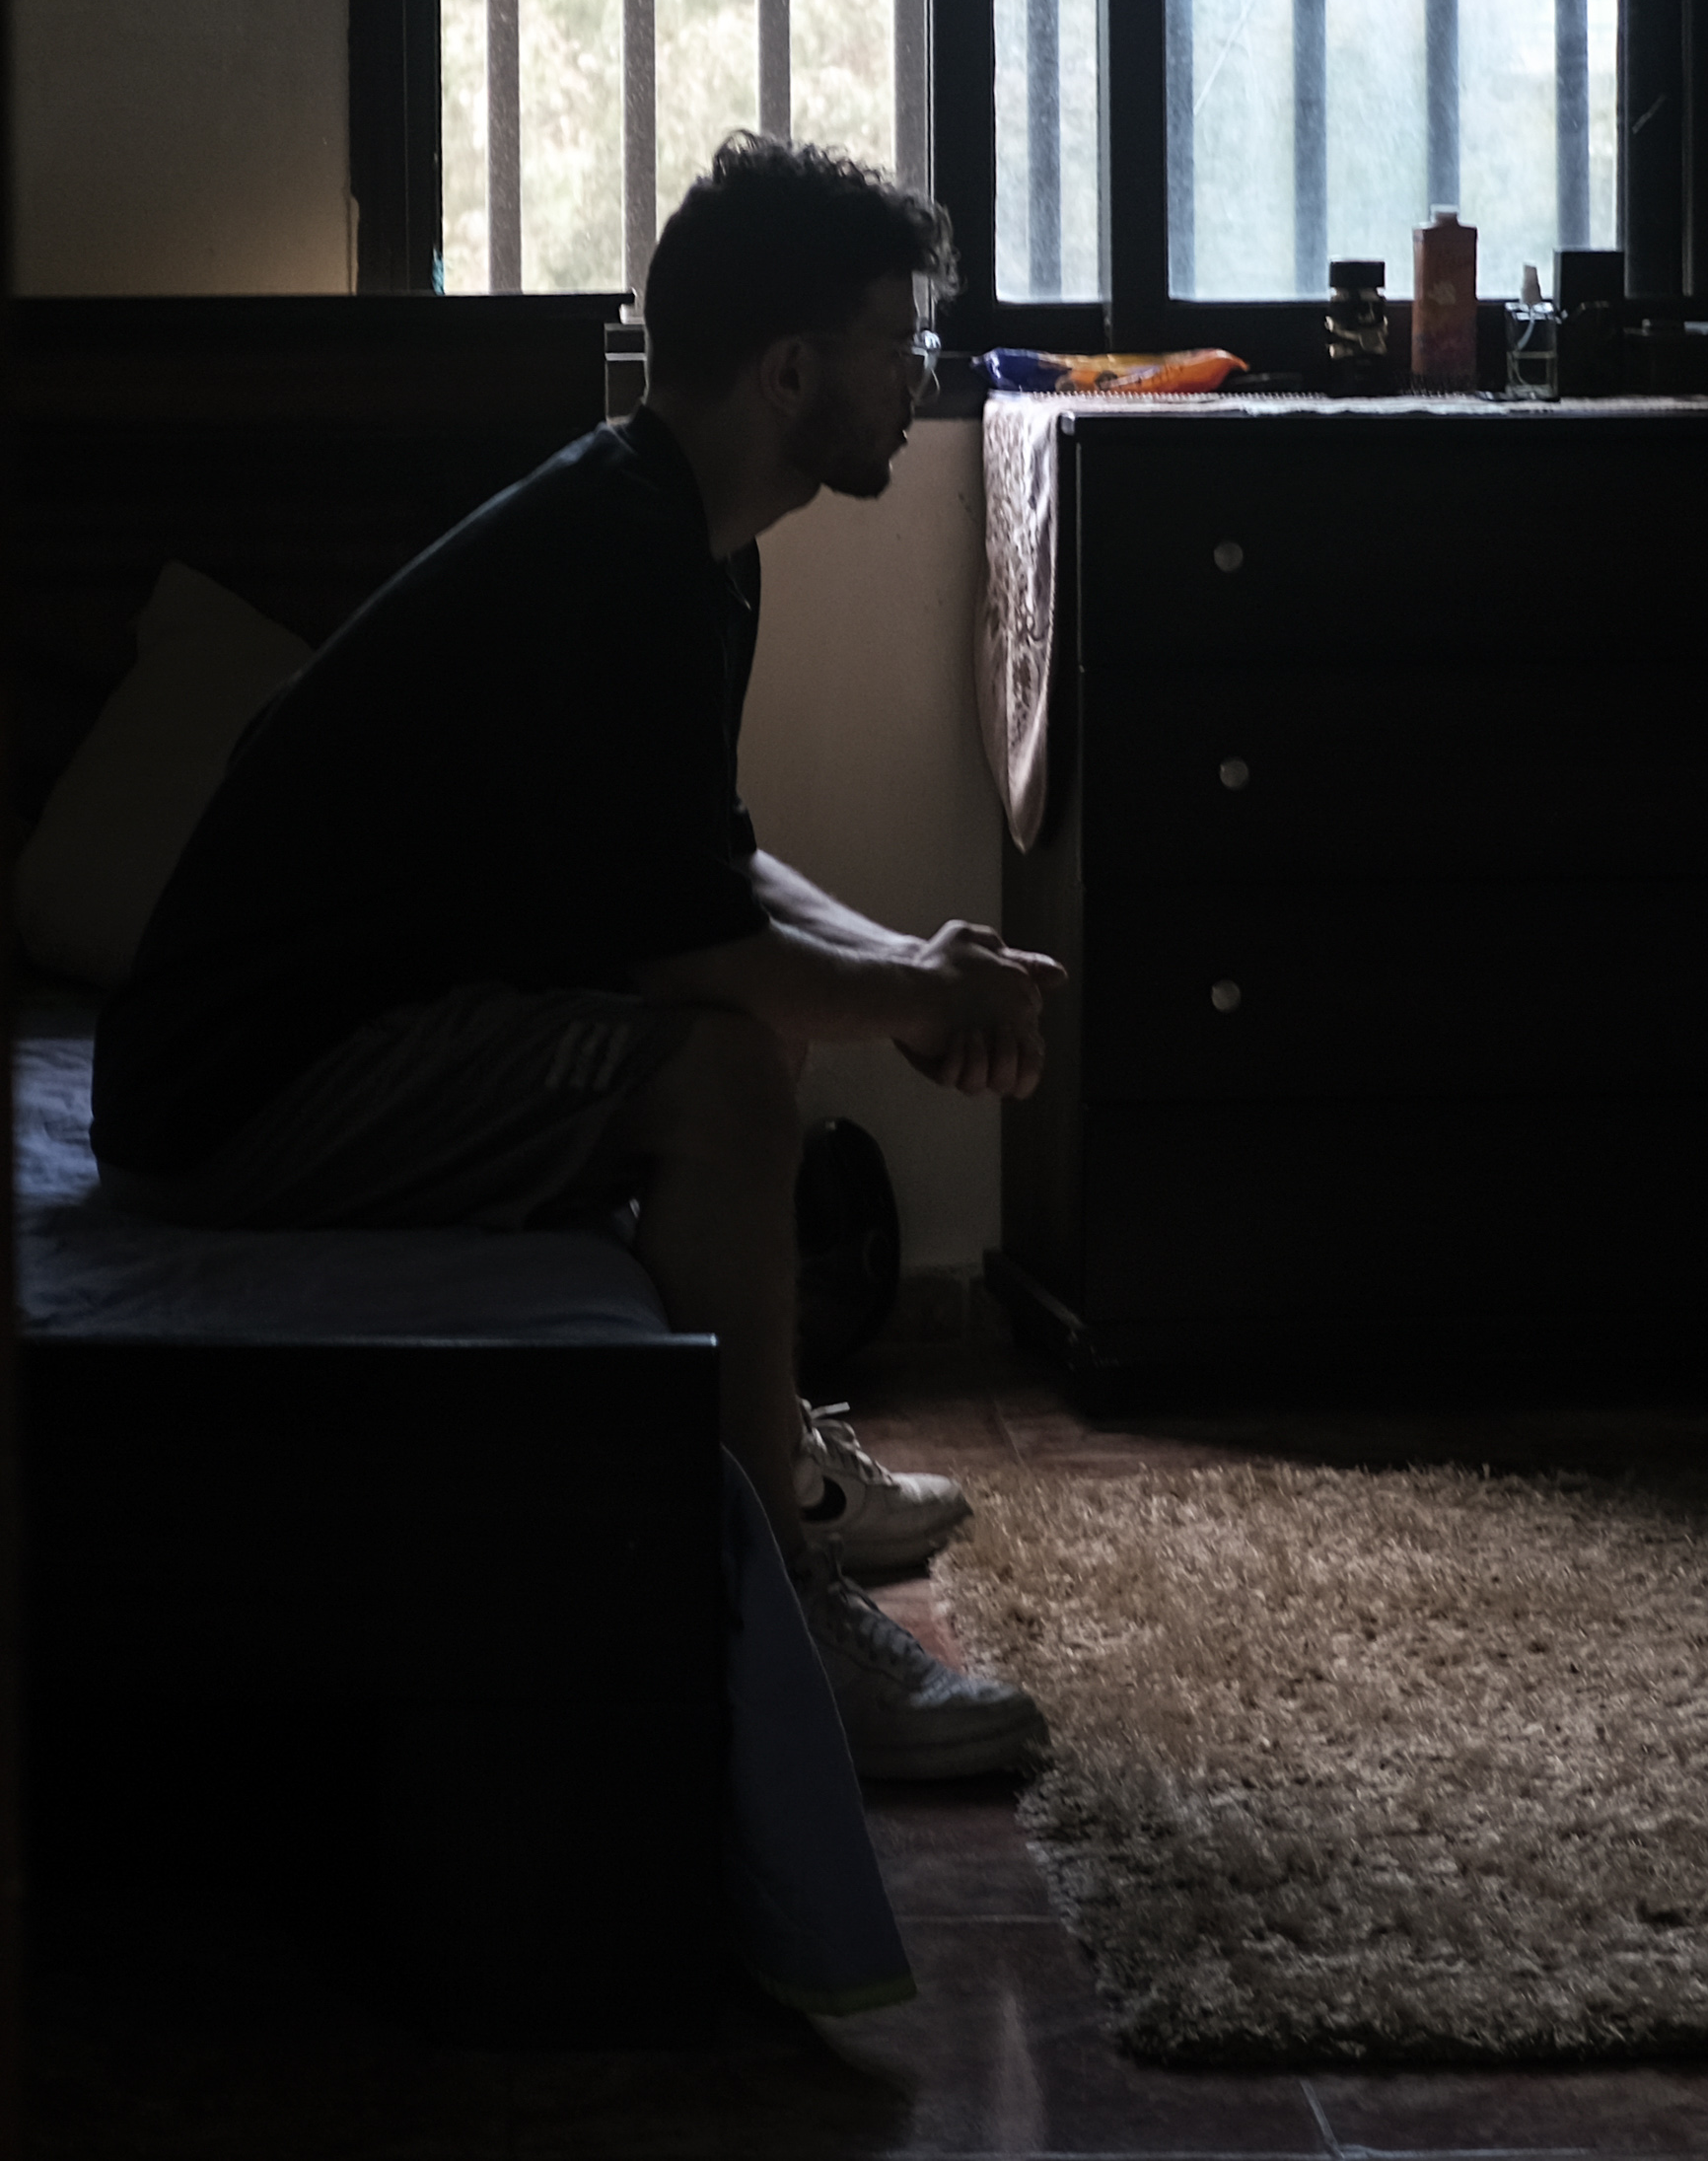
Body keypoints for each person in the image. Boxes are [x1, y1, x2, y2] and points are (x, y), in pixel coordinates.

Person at [91, 133, 1056, 1776]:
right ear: (790, 368)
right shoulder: (617, 563)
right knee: (729, 1077)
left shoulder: (692, 538)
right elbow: (711, 961)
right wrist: (918, 997)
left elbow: (710, 860)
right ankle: (781, 1612)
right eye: (901, 345)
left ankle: (764, 1459)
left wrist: (911, 953)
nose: (922, 377)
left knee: (739, 1036)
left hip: (355, 1038)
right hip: (235, 1104)